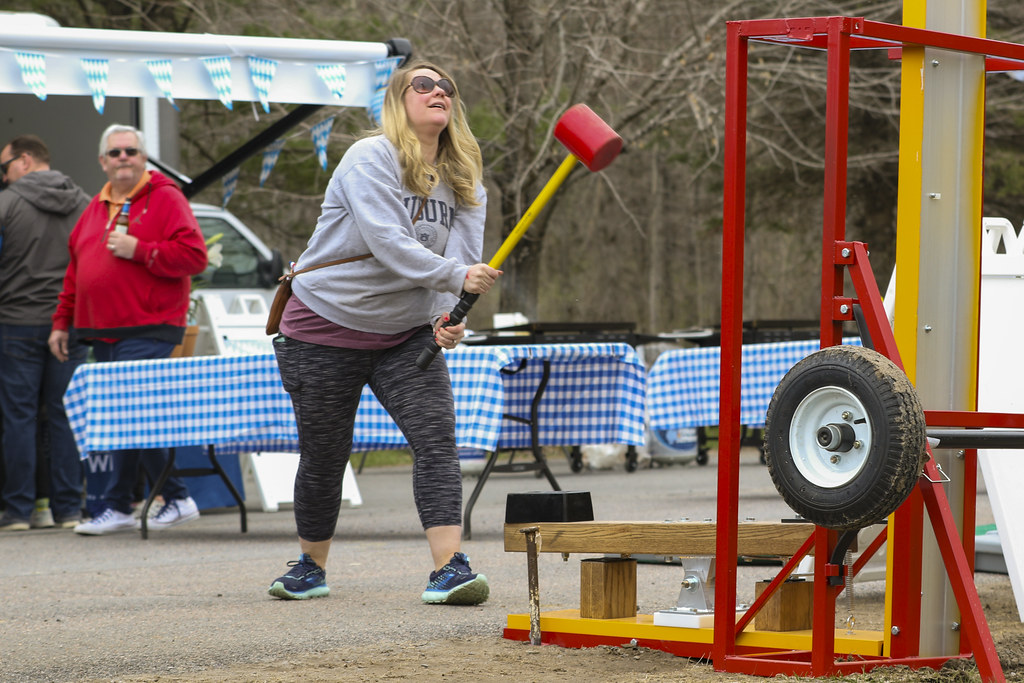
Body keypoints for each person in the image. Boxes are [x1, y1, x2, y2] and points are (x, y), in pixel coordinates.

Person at [268, 60, 500, 605]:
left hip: (403, 333)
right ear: (398, 99)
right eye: (423, 84)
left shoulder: (464, 174)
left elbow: (461, 262)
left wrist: (451, 317)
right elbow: (388, 243)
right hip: (325, 324)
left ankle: (451, 569)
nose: (437, 91)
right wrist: (454, 278)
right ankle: (309, 566)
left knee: (437, 439)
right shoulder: (368, 157)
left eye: (447, 87)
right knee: (325, 453)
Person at [48, 124, 208, 536]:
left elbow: (194, 256)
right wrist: (61, 322)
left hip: (149, 327)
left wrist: (141, 251)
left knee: (136, 412)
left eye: (131, 152)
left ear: (143, 158)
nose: (123, 158)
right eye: (115, 153)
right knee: (123, 416)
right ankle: (120, 504)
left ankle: (177, 496)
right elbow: (75, 272)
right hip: (101, 331)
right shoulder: (94, 208)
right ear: (103, 161)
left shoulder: (165, 197)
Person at [0, 134, 90, 532]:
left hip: (16, 321)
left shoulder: (6, 203)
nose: (3, 177)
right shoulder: (86, 204)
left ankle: (18, 511)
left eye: (3, 168)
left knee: (17, 417)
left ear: (23, 161)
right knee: (64, 416)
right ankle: (68, 508)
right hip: (68, 323)